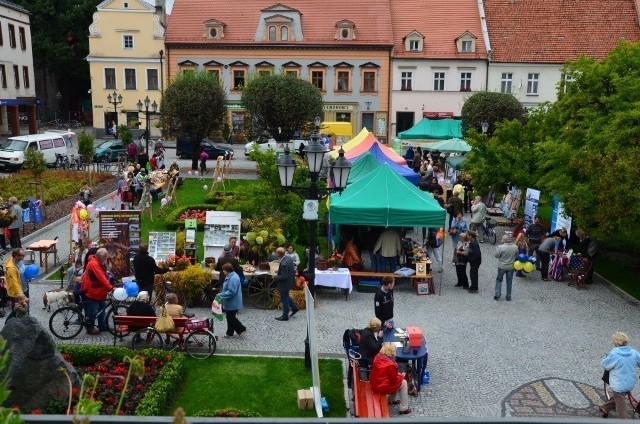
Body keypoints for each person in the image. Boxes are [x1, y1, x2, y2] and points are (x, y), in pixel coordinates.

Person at [599, 332, 640, 418]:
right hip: (630, 382)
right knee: (619, 397)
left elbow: (605, 365)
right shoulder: (634, 352)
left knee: (621, 408)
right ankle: (605, 408)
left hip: (618, 383)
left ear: (616, 343)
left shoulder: (614, 354)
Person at [370, 343, 411, 415]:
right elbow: (394, 380)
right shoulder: (390, 365)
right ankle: (404, 408)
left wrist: (398, 375)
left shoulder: (378, 356)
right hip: (381, 387)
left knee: (398, 381)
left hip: (375, 383)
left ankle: (392, 399)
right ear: (392, 352)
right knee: (403, 383)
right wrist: (402, 376)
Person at [81, 248, 113, 335]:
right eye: (106, 258)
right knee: (92, 311)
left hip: (99, 291)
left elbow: (104, 275)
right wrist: (110, 288)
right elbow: (101, 278)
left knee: (102, 309)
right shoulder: (94, 264)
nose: (106, 260)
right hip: (93, 292)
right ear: (100, 257)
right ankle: (90, 328)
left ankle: (102, 326)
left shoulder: (98, 262)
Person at [218, 262, 246, 338]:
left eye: (223, 270)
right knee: (230, 318)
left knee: (231, 318)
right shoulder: (232, 276)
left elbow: (231, 291)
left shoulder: (233, 278)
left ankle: (241, 329)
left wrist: (221, 295)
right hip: (232, 302)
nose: (223, 271)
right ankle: (230, 333)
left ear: (227, 270)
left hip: (232, 302)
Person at [273, 247, 299, 321]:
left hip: (284, 284)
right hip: (290, 282)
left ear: (278, 254)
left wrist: (275, 277)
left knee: (284, 299)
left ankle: (285, 316)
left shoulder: (284, 263)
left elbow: (284, 276)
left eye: (276, 252)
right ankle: (294, 308)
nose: (275, 254)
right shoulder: (289, 258)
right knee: (286, 296)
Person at [494, 235, 519, 301]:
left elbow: (496, 256)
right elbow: (517, 255)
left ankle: (497, 294)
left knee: (499, 280)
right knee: (509, 281)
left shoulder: (500, 247)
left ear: (504, 240)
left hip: (502, 266)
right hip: (511, 267)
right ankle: (508, 296)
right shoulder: (515, 247)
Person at [5, 248, 27, 320]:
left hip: (23, 288)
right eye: (21, 255)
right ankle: (8, 323)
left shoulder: (17, 261)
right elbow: (14, 283)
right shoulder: (11, 268)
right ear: (16, 256)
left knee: (24, 309)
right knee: (17, 310)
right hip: (17, 293)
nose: (23, 257)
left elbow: (22, 272)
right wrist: (21, 295)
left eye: (24, 255)